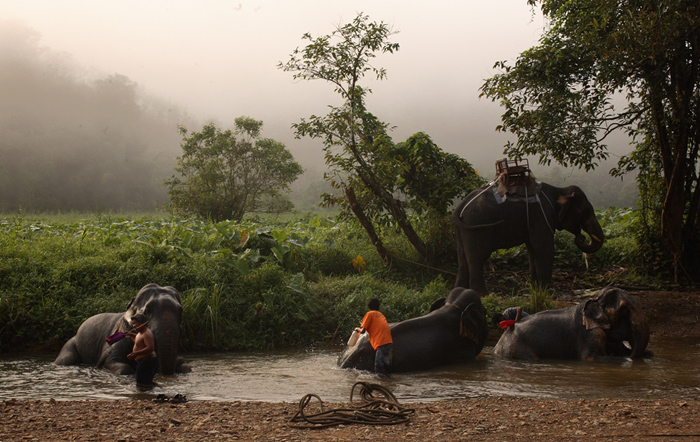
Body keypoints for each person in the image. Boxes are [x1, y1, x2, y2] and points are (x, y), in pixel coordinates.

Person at [355, 298, 393, 377]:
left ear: (369, 306)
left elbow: (362, 331)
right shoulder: (381, 315)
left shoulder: (369, 314)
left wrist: (356, 329)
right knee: (387, 368)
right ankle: (389, 384)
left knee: (379, 367)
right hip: (389, 343)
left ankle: (380, 386)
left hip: (381, 343)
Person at [126, 314, 158, 391]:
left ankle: (146, 397)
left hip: (147, 361)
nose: (133, 326)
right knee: (144, 381)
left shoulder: (147, 334)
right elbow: (139, 343)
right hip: (143, 361)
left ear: (142, 323)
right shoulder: (140, 333)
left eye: (135, 323)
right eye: (133, 324)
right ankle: (159, 392)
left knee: (143, 383)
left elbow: (150, 348)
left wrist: (136, 353)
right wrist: (131, 335)